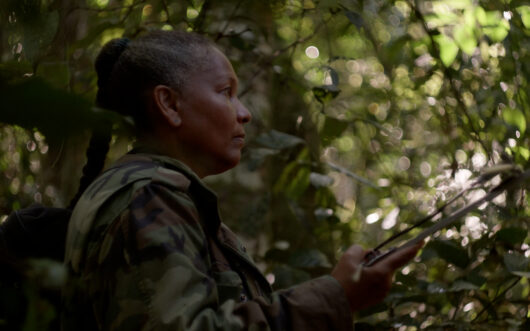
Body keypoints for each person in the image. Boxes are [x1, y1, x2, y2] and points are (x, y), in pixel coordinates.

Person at [62, 30, 422, 331]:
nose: (244, 113)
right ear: (169, 105)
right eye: (225, 93)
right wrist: (336, 298)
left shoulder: (149, 192)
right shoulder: (150, 197)